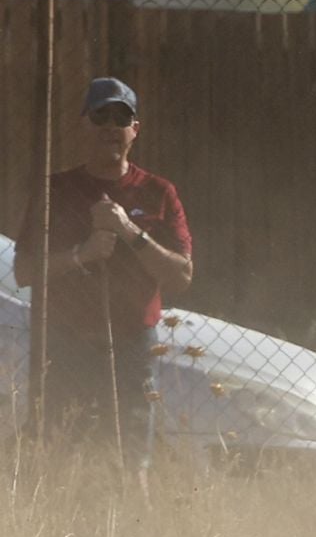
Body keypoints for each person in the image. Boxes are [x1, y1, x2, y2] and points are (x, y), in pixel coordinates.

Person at [14, 77, 194, 472]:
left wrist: (130, 232)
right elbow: (24, 270)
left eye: (121, 117)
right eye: (101, 116)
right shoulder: (56, 190)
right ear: (85, 125)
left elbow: (181, 276)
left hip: (133, 345)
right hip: (66, 343)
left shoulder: (158, 192)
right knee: (61, 459)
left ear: (135, 129)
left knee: (132, 462)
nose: (111, 126)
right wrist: (83, 254)